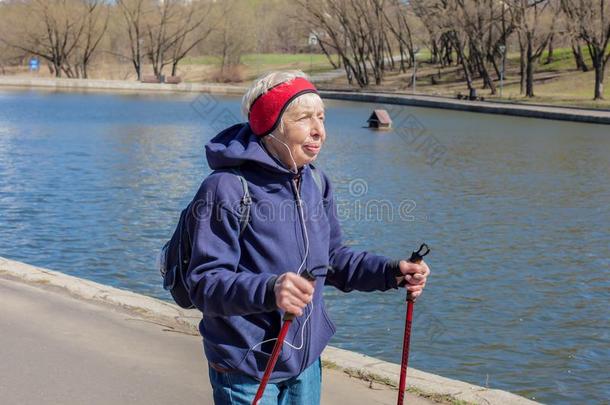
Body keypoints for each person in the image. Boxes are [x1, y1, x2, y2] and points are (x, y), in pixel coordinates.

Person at [185, 70, 430, 405]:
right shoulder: (225, 188)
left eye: (322, 117)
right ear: (269, 124)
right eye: (304, 118)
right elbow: (204, 284)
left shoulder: (315, 182)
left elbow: (333, 260)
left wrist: (392, 272)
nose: (319, 131)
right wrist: (271, 290)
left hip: (304, 363)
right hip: (246, 366)